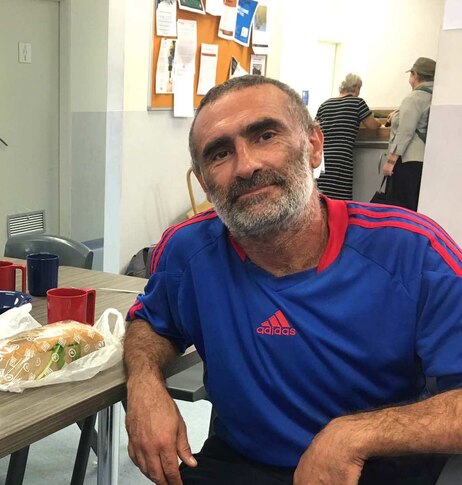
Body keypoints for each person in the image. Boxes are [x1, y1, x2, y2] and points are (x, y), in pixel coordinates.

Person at [124, 75, 461, 485]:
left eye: (266, 135)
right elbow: (152, 322)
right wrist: (144, 385)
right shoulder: (187, 251)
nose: (246, 165)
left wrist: (354, 435)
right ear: (203, 182)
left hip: (375, 467)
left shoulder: (413, 250)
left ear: (314, 146)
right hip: (238, 463)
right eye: (219, 153)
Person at [315, 73, 380, 200]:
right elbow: (372, 125)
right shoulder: (357, 103)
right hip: (342, 157)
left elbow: (315, 129)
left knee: (323, 196)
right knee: (340, 197)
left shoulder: (325, 104)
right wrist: (380, 122)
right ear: (355, 87)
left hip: (324, 156)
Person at [382, 57, 436, 211]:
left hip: (407, 160)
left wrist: (390, 162)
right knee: (416, 206)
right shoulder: (435, 96)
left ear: (415, 75)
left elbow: (405, 132)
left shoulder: (414, 98)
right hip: (425, 160)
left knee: (401, 207)